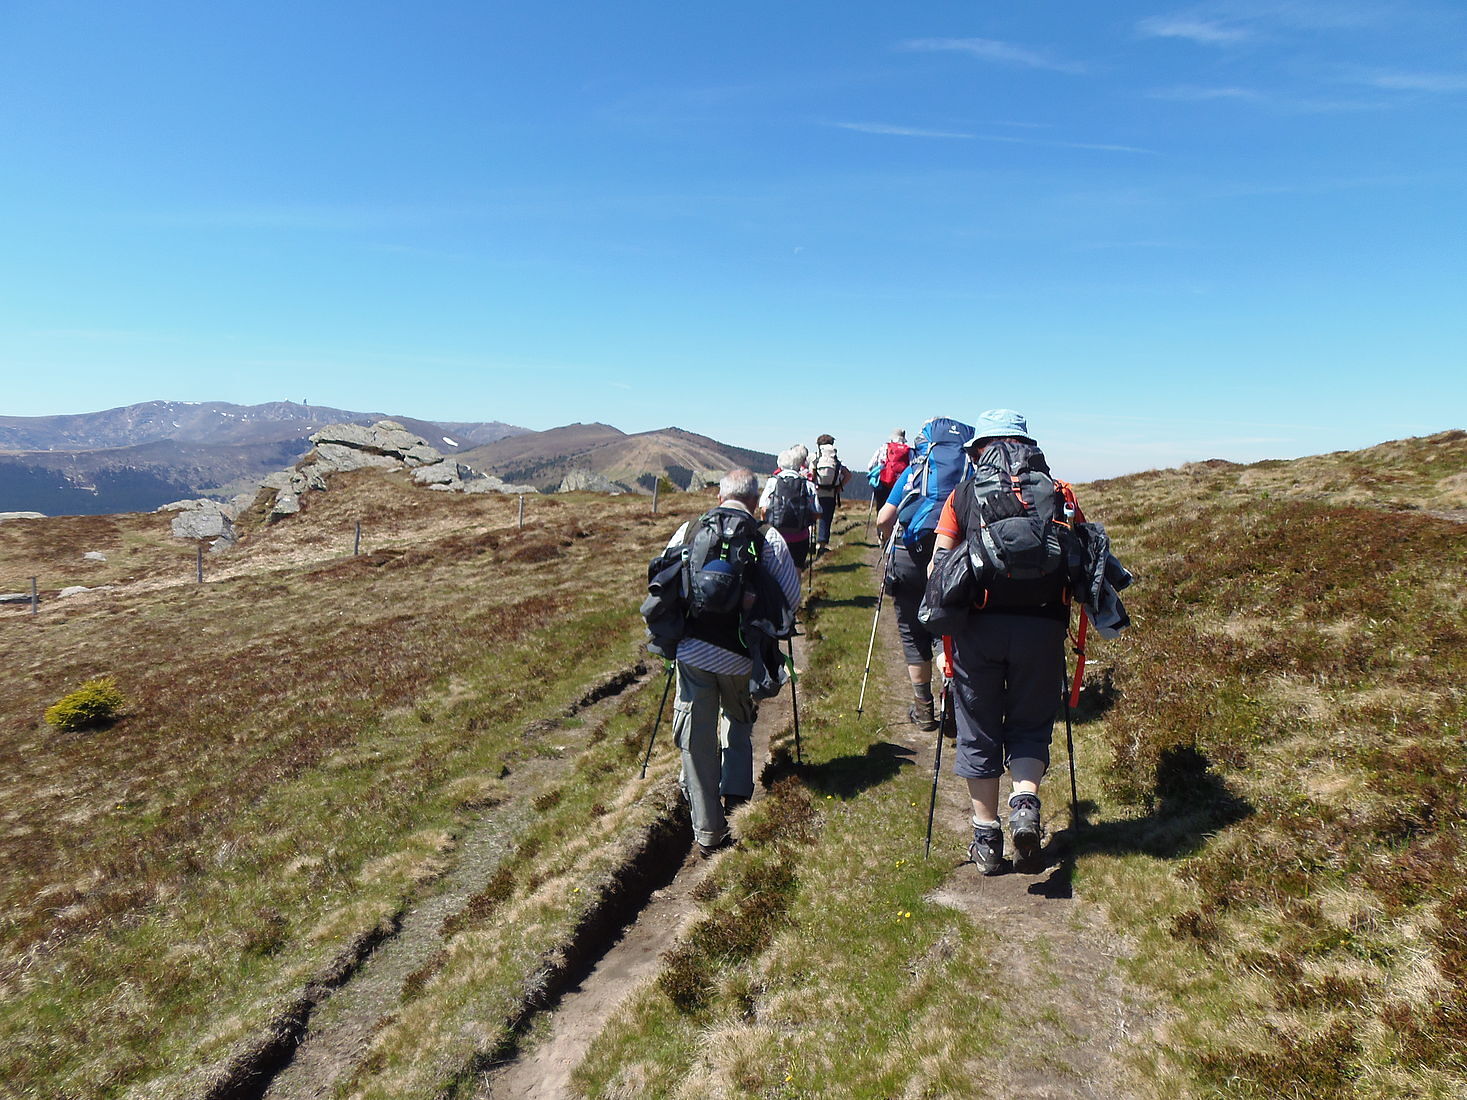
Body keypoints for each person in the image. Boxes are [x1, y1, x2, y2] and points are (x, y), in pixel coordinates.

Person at [930, 409, 1077, 875]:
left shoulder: (963, 494)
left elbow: (939, 568)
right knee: (1031, 722)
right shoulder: (1058, 493)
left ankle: (986, 839)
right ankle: (1025, 804)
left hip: (978, 629)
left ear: (979, 450)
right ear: (1029, 447)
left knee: (979, 729)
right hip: (1043, 626)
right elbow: (1079, 560)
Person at [665, 470, 802, 857]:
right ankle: (738, 801)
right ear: (756, 501)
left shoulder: (689, 530)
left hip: (692, 654)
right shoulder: (766, 538)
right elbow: (791, 599)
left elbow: (663, 584)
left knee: (696, 740)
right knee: (738, 723)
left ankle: (708, 834)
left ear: (719, 495)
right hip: (742, 658)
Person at [874, 417, 974, 733]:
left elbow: (884, 518)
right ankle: (954, 706)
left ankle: (924, 710)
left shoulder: (915, 471)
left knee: (911, 631)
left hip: (907, 556)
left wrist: (886, 540)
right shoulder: (969, 477)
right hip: (954, 559)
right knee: (951, 628)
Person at [759, 445, 819, 570]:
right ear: (799, 465)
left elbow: (764, 509)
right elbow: (817, 512)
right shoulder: (807, 484)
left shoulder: (772, 482)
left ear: (780, 465)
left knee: (774, 571)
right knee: (796, 570)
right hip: (800, 536)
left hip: (776, 536)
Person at [811, 433, 851, 556]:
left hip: (817, 493)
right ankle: (822, 546)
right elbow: (848, 474)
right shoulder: (835, 460)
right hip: (831, 494)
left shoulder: (815, 459)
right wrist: (839, 487)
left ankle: (811, 541)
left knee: (812, 518)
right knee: (826, 519)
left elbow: (811, 476)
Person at [866, 429, 910, 509]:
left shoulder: (884, 447)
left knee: (881, 507)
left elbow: (870, 465)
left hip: (884, 481)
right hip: (900, 483)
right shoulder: (908, 450)